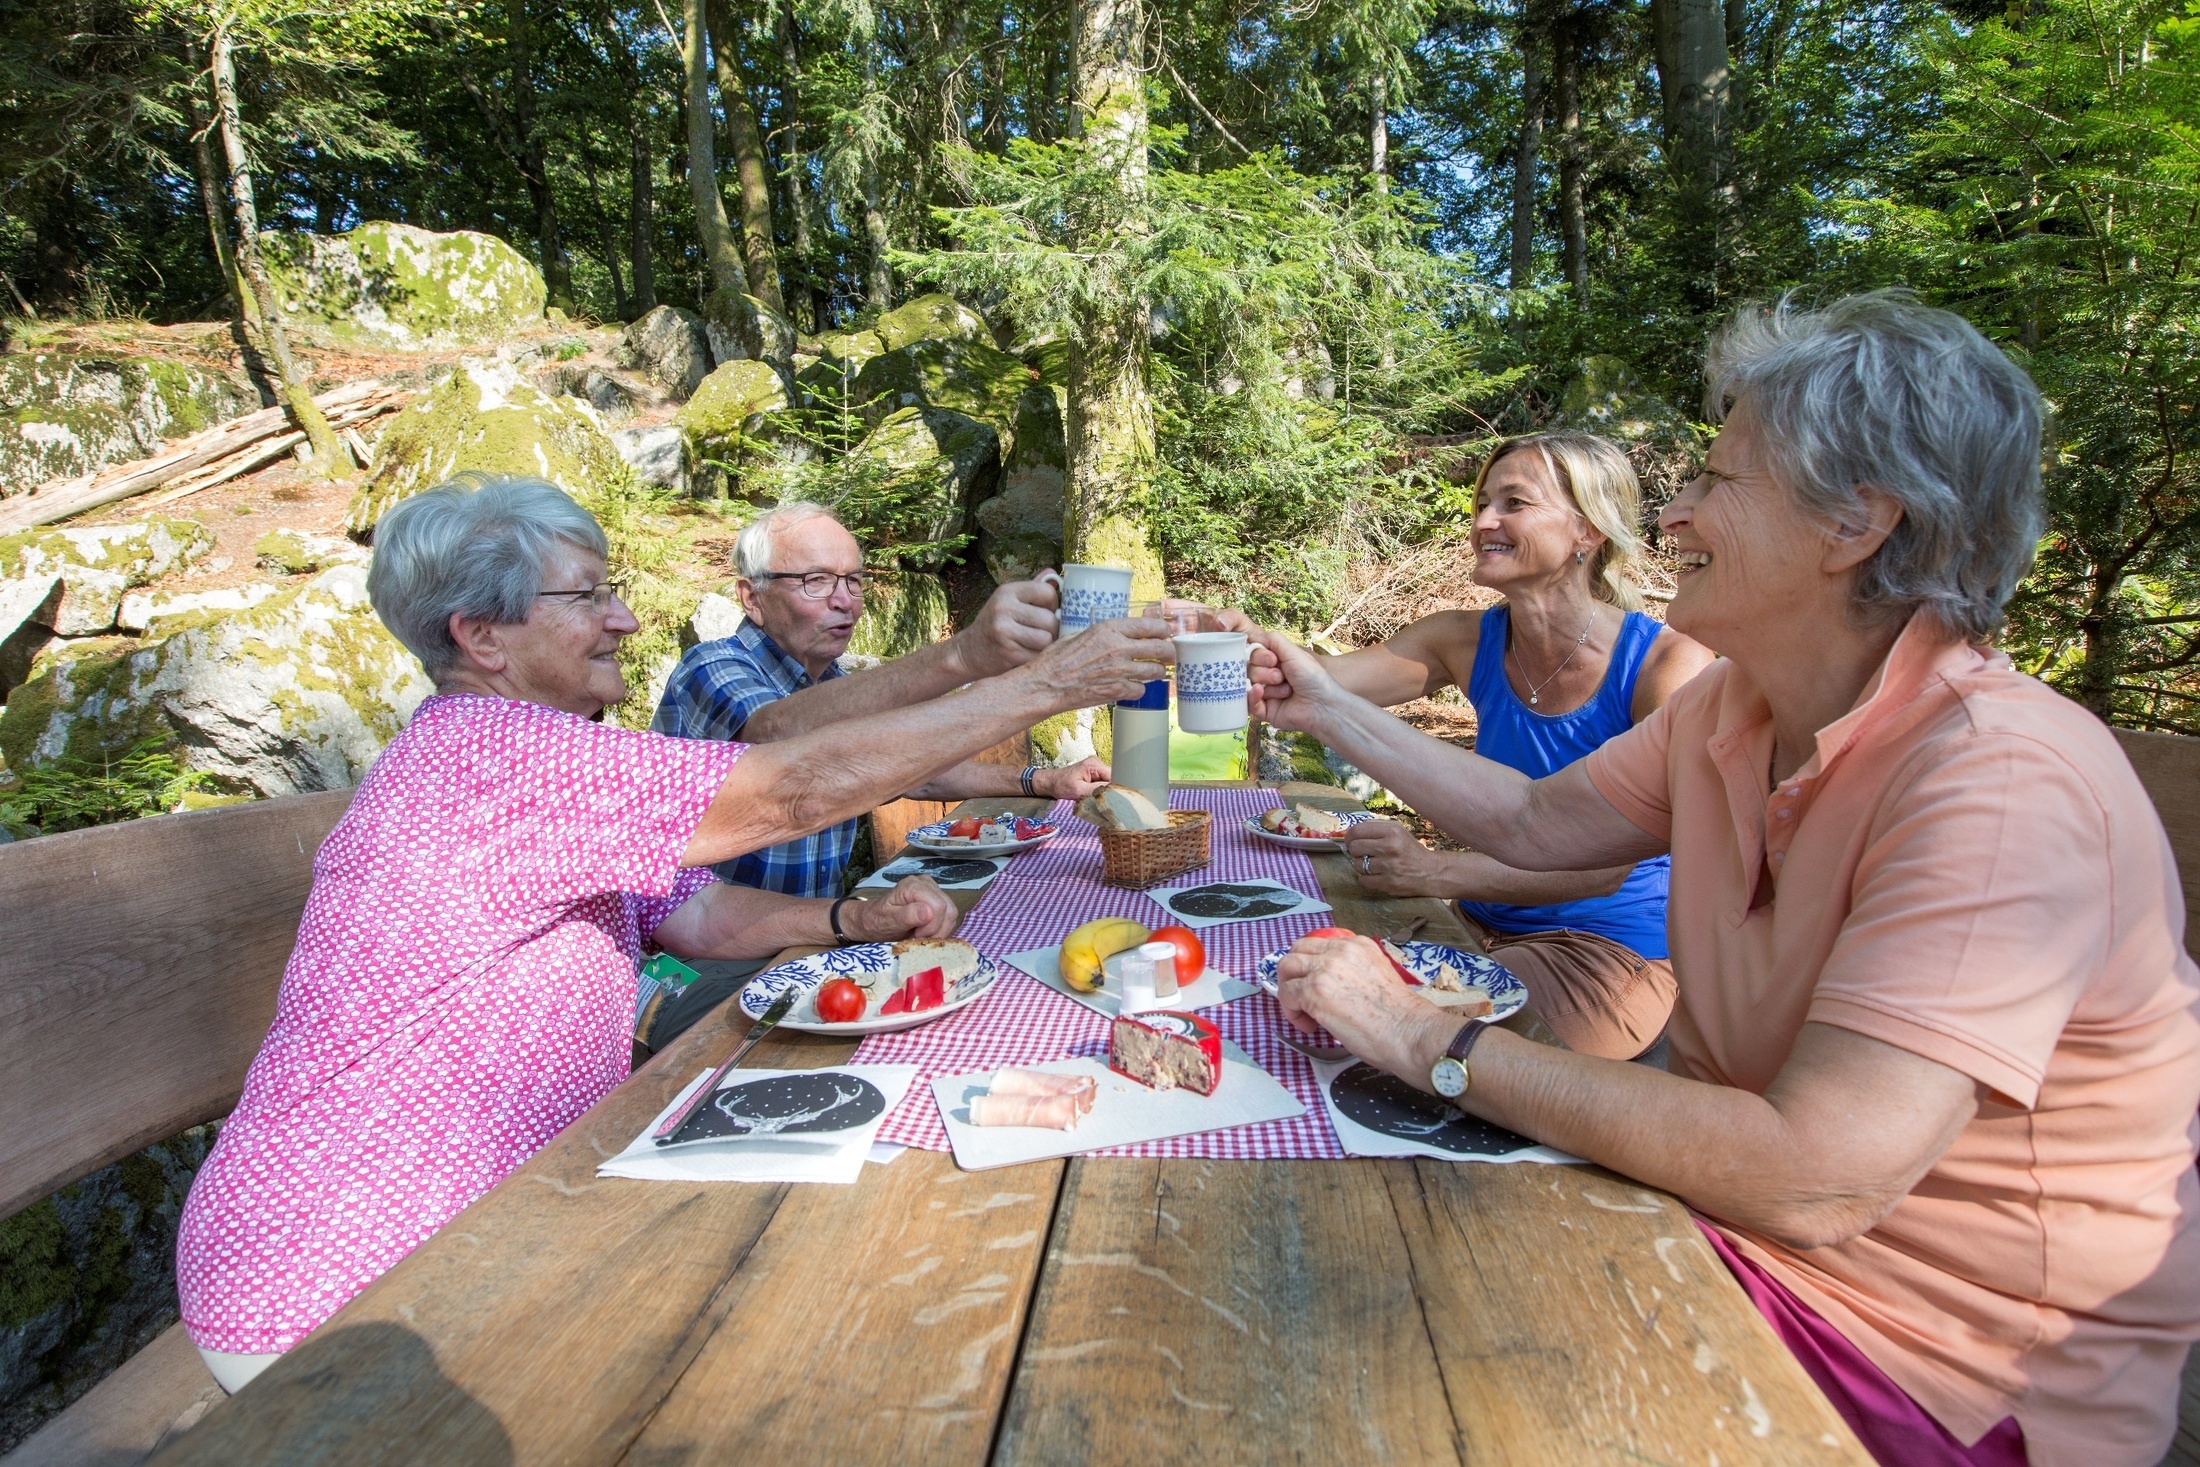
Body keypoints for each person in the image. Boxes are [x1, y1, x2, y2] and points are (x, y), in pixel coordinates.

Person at [1254, 294, 2200, 1466]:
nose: (1675, 512)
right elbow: (1535, 820)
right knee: (1346, 1286)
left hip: (1925, 1364)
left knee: (1372, 1344)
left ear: (1855, 522)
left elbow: (1814, 1181)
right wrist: (1323, 705)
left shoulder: (1998, 781)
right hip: (1736, 1245)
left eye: (1715, 478)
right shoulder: (1734, 706)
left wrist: (1422, 1035)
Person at [173, 476, 1172, 1393]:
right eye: (587, 597)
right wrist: (1047, 685)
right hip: (346, 1284)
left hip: (475, 1231)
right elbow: (794, 785)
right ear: (480, 636)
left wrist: (849, 919)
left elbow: (694, 912)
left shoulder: (523, 751)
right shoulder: (490, 754)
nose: (624, 617)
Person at [1222, 433, 1712, 1059]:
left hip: (1605, 949)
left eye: (1514, 503)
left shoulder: (1666, 665)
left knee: (1385, 1037)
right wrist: (1245, 644)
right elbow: (1320, 682)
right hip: (1475, 927)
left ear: (1588, 530)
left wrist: (1431, 871)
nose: (1483, 522)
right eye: (1482, 504)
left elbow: (1605, 865)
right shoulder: (1464, 639)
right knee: (1295, 995)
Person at [653, 501, 1112, 896]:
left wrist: (1046, 780)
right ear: (752, 598)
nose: (845, 601)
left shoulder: (832, 682)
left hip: (806, 934)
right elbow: (776, 735)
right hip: (699, 951)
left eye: (853, 580)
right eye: (817, 580)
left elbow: (919, 773)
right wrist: (967, 656)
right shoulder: (711, 667)